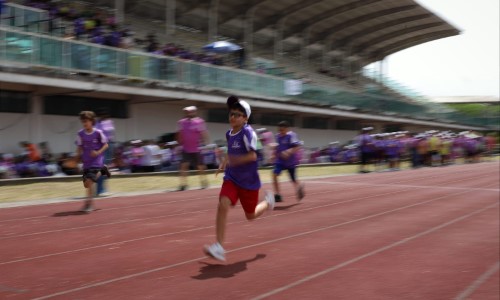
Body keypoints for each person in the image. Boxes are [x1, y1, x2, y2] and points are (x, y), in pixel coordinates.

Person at [204, 96, 275, 261]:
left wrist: (236, 160)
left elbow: (252, 156)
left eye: (237, 114)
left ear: (245, 118)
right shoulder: (229, 134)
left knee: (250, 216)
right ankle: (219, 246)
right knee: (223, 203)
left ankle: (268, 202)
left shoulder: (249, 133)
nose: (233, 117)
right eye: (231, 114)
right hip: (232, 178)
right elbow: (231, 151)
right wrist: (224, 162)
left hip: (249, 182)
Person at [75, 111, 111, 213]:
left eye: (86, 121)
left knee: (90, 182)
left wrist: (98, 152)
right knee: (86, 184)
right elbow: (79, 148)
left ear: (92, 121)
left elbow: (106, 145)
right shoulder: (80, 134)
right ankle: (103, 170)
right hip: (86, 162)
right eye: (83, 122)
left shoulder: (98, 133)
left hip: (96, 161)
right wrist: (76, 161)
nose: (84, 123)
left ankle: (88, 204)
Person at [177, 106, 209, 191]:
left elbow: (203, 133)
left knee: (200, 166)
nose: (188, 113)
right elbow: (180, 133)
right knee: (183, 166)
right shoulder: (182, 122)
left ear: (195, 112)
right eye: (187, 112)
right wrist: (179, 144)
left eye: (190, 111)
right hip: (186, 148)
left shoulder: (200, 122)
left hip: (197, 148)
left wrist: (206, 144)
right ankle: (183, 184)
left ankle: (203, 181)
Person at [272, 121, 305, 202]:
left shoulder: (291, 135)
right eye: (279, 130)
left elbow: (297, 147)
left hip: (290, 162)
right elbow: (278, 147)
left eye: (282, 130)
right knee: (274, 174)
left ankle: (300, 187)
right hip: (280, 161)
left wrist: (288, 152)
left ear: (287, 129)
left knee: (293, 180)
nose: (281, 132)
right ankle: (277, 195)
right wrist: (273, 154)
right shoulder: (278, 136)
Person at [95, 108, 115, 196]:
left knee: (106, 167)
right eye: (101, 115)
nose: (103, 116)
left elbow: (110, 133)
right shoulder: (96, 123)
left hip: (109, 144)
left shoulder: (109, 122)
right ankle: (100, 190)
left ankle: (103, 189)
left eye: (105, 115)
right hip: (101, 145)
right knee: (102, 167)